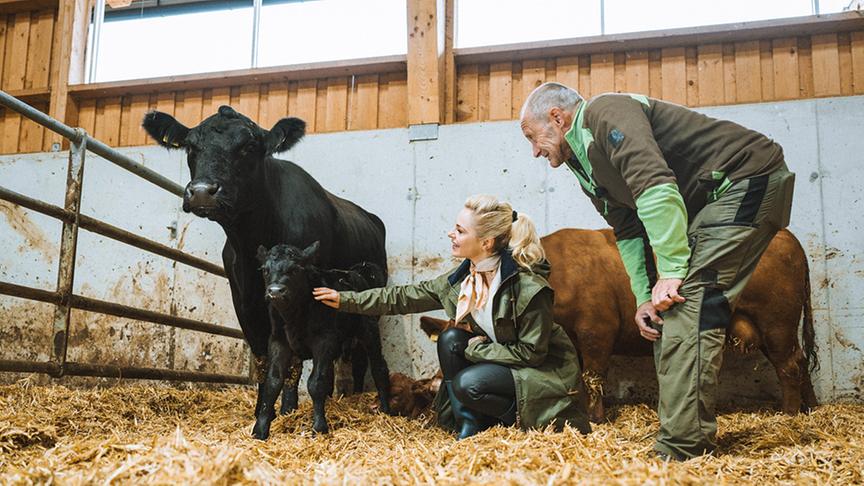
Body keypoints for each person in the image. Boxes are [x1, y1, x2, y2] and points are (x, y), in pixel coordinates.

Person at [519, 82, 795, 460]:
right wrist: (644, 296)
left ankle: (682, 450)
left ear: (557, 117)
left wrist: (671, 270)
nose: (534, 151)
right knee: (667, 313)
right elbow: (629, 229)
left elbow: (656, 186)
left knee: (690, 304)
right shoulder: (582, 163)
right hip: (709, 204)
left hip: (745, 180)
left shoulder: (604, 113)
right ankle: (678, 431)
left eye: (533, 137)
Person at [313, 194, 591, 439]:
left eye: (459, 230)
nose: (450, 234)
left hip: (539, 371)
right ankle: (468, 424)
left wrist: (480, 349)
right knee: (450, 338)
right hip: (502, 359)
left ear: (486, 242)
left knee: (469, 384)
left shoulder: (530, 289)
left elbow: (532, 353)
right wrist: (345, 300)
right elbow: (403, 297)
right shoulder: (463, 280)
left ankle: (511, 421)